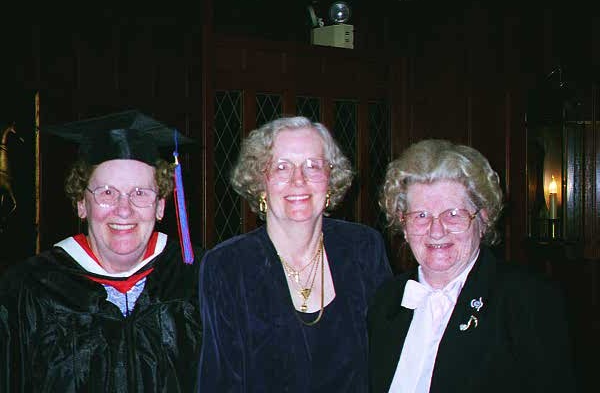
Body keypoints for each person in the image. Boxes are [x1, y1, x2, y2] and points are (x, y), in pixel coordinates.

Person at [0, 110, 202, 392]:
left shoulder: (199, 283)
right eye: (107, 192)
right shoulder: (27, 292)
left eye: (140, 193)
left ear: (160, 206)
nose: (123, 209)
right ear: (82, 203)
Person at [197, 116, 392, 392]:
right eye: (281, 167)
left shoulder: (363, 248)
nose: (298, 180)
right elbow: (220, 382)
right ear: (260, 181)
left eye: (313, 166)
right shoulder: (228, 265)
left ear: (330, 179)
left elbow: (390, 361)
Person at [368, 139, 576, 393]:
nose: (436, 231)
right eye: (421, 216)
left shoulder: (527, 299)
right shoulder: (386, 301)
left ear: (483, 219)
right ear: (404, 225)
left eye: (453, 214)